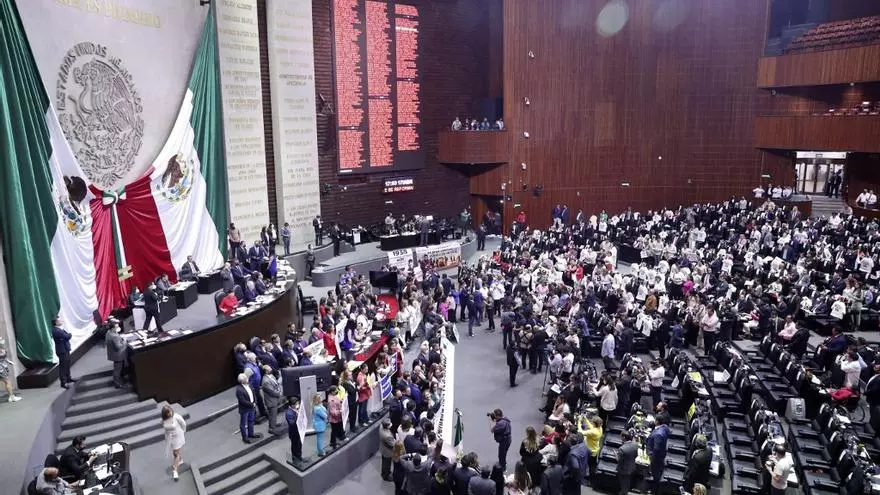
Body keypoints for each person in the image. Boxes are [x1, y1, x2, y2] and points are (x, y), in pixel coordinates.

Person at [646, 413, 670, 495]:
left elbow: (656, 449)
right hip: (662, 454)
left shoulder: (658, 434)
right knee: (657, 473)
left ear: (657, 421)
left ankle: (654, 491)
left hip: (656, 459)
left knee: (656, 475)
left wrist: (651, 458)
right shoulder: (665, 427)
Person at [161, 405, 187, 481]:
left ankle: (175, 471)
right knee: (176, 452)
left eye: (170, 411)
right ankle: (180, 460)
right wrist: (167, 440)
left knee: (176, 453)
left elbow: (183, 423)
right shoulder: (164, 421)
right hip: (171, 439)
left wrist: (183, 430)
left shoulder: (176, 416)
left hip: (178, 436)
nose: (170, 413)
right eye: (168, 412)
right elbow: (166, 432)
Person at [235, 373, 261, 444]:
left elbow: (253, 394)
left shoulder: (249, 384)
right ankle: (245, 438)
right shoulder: (239, 389)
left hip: (252, 407)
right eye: (246, 378)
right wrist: (252, 404)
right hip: (245, 409)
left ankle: (251, 434)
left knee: (251, 421)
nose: (248, 379)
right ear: (242, 381)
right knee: (243, 424)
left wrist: (255, 402)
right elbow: (242, 401)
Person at [51, 316, 75, 388]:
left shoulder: (60, 329)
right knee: (63, 366)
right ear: (56, 322)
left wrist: (67, 335)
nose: (61, 321)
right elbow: (67, 336)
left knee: (67, 364)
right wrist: (69, 335)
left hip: (65, 349)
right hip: (62, 351)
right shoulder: (56, 330)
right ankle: (63, 382)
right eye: (59, 320)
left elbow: (66, 336)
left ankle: (68, 378)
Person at [261, 365, 283, 436]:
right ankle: (271, 429)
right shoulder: (265, 381)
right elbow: (272, 392)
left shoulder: (272, 376)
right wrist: (279, 392)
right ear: (266, 371)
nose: (271, 369)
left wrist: (279, 389)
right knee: (272, 415)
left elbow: (276, 384)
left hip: (274, 399)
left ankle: (273, 424)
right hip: (271, 401)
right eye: (270, 369)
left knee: (274, 414)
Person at [615, 430, 638, 495]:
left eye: (621, 436)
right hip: (631, 467)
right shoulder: (635, 444)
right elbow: (636, 455)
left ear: (624, 437)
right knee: (627, 481)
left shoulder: (622, 449)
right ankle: (626, 491)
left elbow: (618, 460)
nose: (620, 437)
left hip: (623, 469)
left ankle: (624, 493)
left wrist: (616, 455)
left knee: (623, 483)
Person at [104, 322, 127, 388]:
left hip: (113, 354)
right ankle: (117, 384)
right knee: (117, 370)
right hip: (118, 355)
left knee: (117, 369)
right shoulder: (115, 336)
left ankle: (120, 380)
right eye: (117, 327)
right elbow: (119, 346)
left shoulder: (108, 333)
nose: (118, 327)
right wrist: (124, 341)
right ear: (113, 328)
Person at [0, 338, 21, 403]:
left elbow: (4, 357)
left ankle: (11, 396)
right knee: (7, 381)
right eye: (0, 339)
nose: (2, 340)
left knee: (7, 381)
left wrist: (9, 361)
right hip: (1, 368)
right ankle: (11, 397)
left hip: (3, 365)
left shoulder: (1, 348)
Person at [285, 397, 303, 464]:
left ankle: (299, 456)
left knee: (299, 445)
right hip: (294, 432)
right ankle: (295, 458)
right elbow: (291, 423)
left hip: (299, 430)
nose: (297, 405)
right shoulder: (289, 413)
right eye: (296, 404)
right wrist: (297, 416)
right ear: (292, 404)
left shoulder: (296, 409)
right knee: (295, 446)